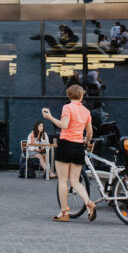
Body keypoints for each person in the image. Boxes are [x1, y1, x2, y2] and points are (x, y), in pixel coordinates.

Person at [42, 85, 95, 222]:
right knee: (75, 181)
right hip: (78, 146)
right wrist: (86, 141)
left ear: (69, 95)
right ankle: (88, 202)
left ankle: (64, 212)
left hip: (66, 144)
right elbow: (89, 132)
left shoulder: (67, 107)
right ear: (82, 96)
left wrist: (50, 117)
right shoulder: (86, 111)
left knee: (63, 180)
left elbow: (64, 125)